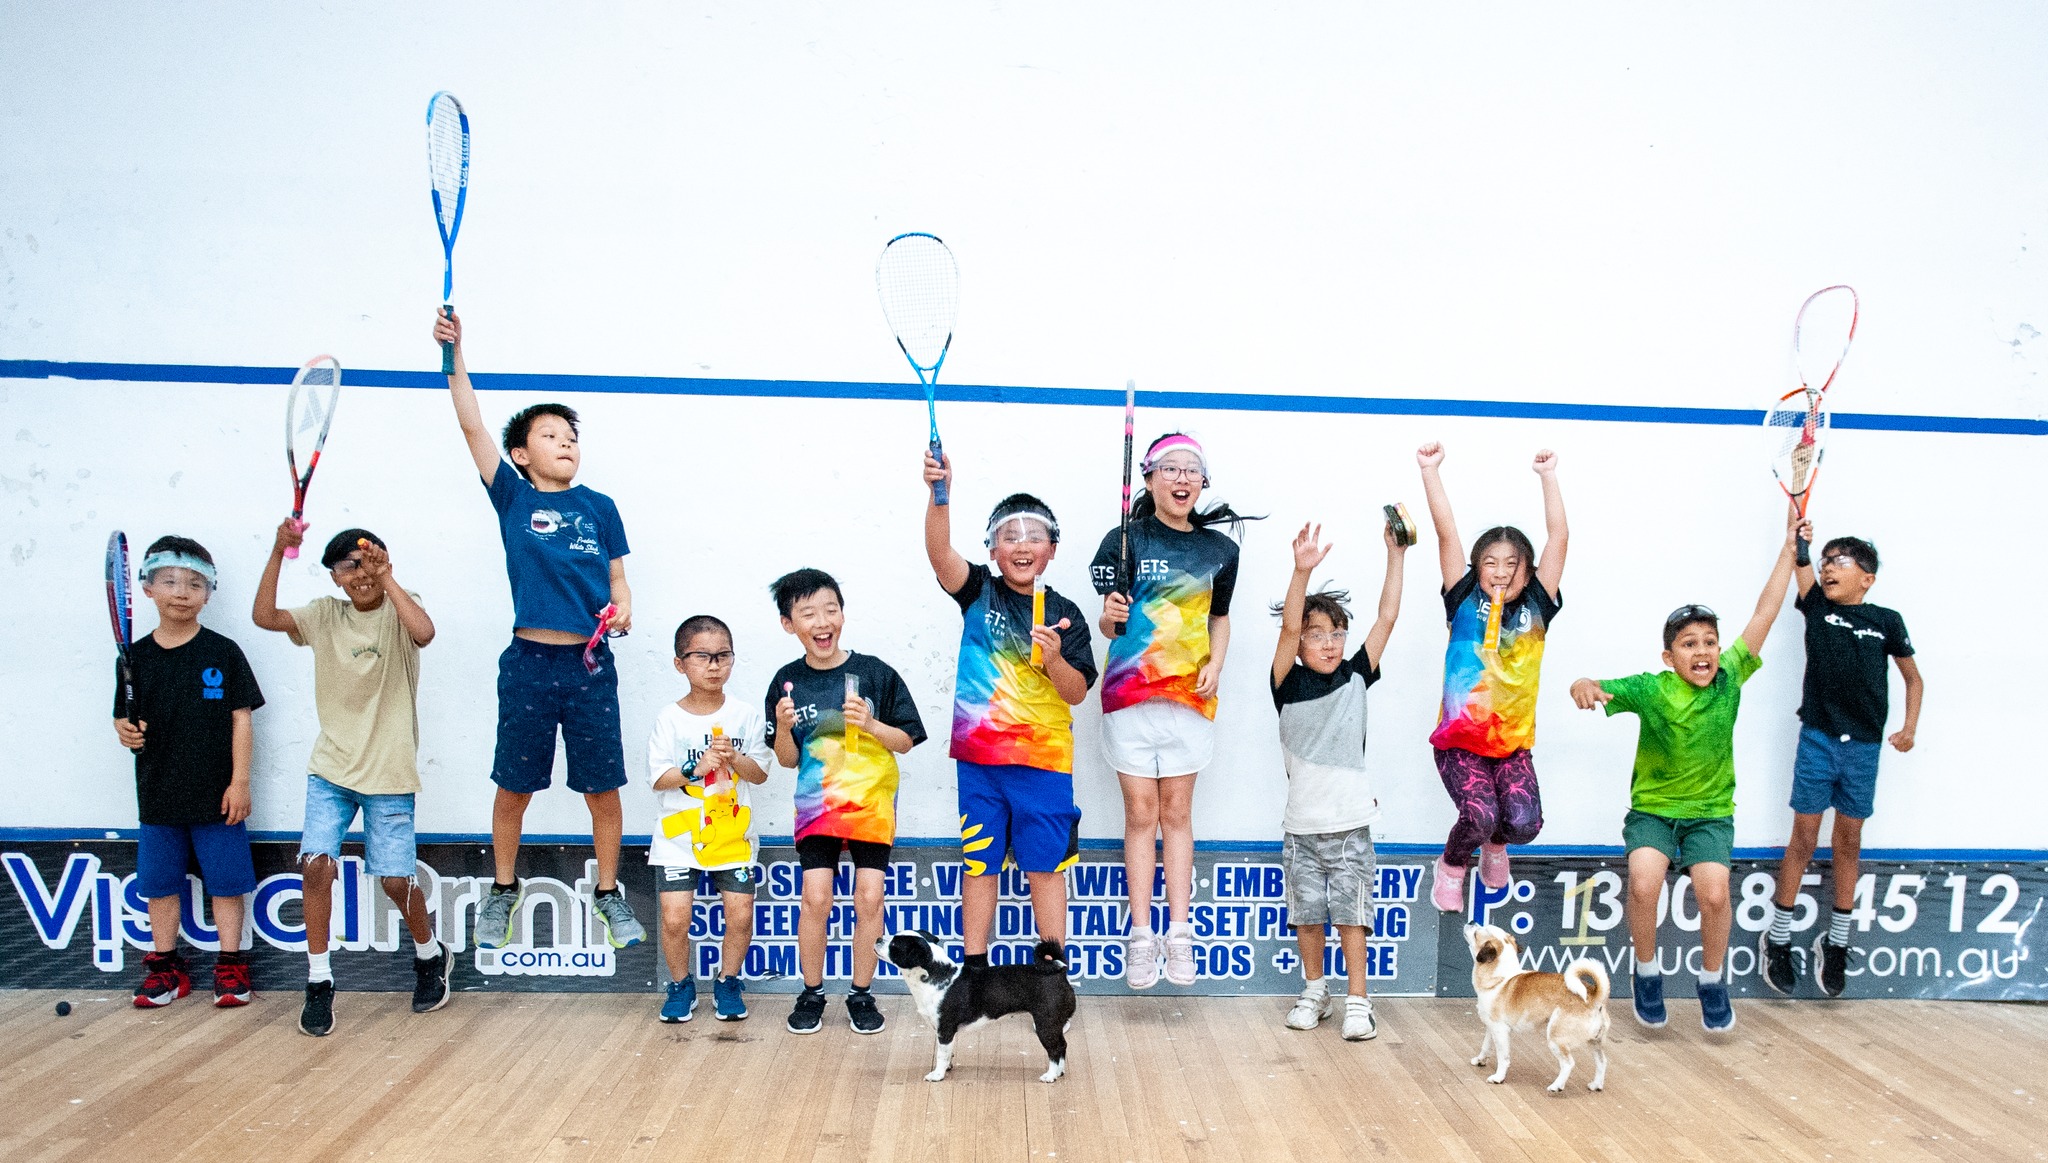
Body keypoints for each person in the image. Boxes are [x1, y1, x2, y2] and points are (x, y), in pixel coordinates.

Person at [432, 309, 643, 951]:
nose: (566, 444)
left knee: (602, 788)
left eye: (571, 436)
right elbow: (471, 424)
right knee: (514, 787)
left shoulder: (599, 507)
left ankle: (609, 893)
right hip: (527, 663)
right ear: (522, 455)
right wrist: (454, 355)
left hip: (589, 667)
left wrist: (623, 607)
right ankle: (504, 890)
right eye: (551, 436)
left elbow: (619, 580)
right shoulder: (514, 499)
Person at [1569, 513, 1804, 1033]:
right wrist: (1582, 685)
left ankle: (1712, 981)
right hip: (1653, 811)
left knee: (1715, 893)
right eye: (1689, 644)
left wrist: (1789, 548)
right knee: (1644, 883)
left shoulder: (1732, 676)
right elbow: (1589, 682)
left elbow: (1766, 610)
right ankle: (1647, 974)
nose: (1702, 651)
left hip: (1710, 816)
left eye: (1709, 641)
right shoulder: (1652, 688)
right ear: (1669, 656)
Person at [252, 523, 446, 1036]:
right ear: (335, 578)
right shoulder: (322, 615)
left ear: (383, 562)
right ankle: (319, 981)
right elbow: (264, 617)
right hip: (331, 769)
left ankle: (428, 956)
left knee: (394, 880)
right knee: (316, 866)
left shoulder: (404, 607)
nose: (359, 575)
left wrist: (390, 577)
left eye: (367, 563)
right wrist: (278, 549)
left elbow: (424, 632)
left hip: (388, 772)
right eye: (347, 567)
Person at [1089, 433, 1257, 989]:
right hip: (1129, 696)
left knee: (1178, 814)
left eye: (1191, 470)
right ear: (1149, 478)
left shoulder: (1220, 552)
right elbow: (1109, 625)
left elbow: (1220, 618)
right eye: (1170, 469)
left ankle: (1179, 935)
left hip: (1190, 697)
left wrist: (1219, 664)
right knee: (1141, 815)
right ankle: (1141, 937)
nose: (1181, 478)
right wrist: (1110, 614)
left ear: (1202, 481)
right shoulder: (1123, 542)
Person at [922, 451, 1097, 970]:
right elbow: (938, 553)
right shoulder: (978, 591)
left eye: (1034, 536)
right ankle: (973, 973)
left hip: (1044, 766)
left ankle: (1052, 973)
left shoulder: (1067, 614)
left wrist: (1055, 659)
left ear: (1052, 549)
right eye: (1010, 536)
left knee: (1046, 868)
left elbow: (1076, 693)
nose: (1022, 545)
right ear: (994, 550)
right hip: (979, 763)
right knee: (980, 866)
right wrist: (939, 494)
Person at [1759, 532, 1922, 998]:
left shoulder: (1887, 620)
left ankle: (1837, 943)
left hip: (1864, 748)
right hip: (1817, 738)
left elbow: (1914, 679)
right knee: (1804, 839)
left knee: (1848, 842)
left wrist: (1908, 729)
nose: (1830, 568)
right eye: (1826, 561)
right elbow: (1801, 560)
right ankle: (1780, 937)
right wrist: (1800, 539)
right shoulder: (1816, 606)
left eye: (1842, 562)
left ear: (1867, 579)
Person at [764, 568, 927, 1034]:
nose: (822, 620)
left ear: (842, 615)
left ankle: (861, 994)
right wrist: (780, 726)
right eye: (808, 612)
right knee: (816, 899)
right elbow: (788, 759)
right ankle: (812, 993)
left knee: (869, 899)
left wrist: (873, 725)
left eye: (830, 609)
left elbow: (907, 741)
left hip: (872, 809)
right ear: (788, 623)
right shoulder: (786, 682)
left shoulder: (876, 673)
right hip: (816, 809)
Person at [112, 536, 264, 1009]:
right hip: (157, 796)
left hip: (218, 797)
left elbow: (242, 717)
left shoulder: (223, 652)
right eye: (170, 581)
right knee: (159, 886)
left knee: (227, 885)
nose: (182, 591)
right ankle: (165, 969)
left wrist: (240, 782)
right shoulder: (132, 658)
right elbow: (125, 718)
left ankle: (231, 966)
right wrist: (125, 730)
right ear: (148, 588)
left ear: (209, 593)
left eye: (194, 583)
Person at [1415, 442, 1568, 912]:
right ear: (1477, 567)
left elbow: (1559, 536)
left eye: (1512, 563)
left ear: (1528, 570)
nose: (1500, 572)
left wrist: (1547, 477)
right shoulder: (1462, 598)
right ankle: (1454, 864)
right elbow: (1446, 535)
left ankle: (1495, 847)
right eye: (1490, 562)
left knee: (1523, 823)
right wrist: (1430, 471)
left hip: (1511, 746)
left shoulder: (1537, 604)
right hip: (1460, 742)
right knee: (1479, 814)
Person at [1268, 517, 1405, 1041]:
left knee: (1352, 917)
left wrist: (1396, 555)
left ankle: (1358, 1002)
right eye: (1316, 634)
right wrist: (1301, 571)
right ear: (1300, 640)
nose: (1329, 643)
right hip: (1300, 829)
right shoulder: (1284, 681)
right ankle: (1314, 991)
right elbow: (1285, 628)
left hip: (1352, 826)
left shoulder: (1355, 674)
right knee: (1307, 917)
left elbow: (1387, 617)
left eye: (1336, 634)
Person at [648, 615, 772, 1023]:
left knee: (739, 916)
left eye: (723, 656)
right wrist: (696, 769)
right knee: (674, 919)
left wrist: (734, 758)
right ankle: (681, 985)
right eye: (702, 656)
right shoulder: (669, 718)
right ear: (680, 663)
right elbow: (659, 779)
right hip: (678, 840)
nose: (714, 665)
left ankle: (728, 982)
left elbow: (761, 773)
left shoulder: (746, 715)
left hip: (733, 840)